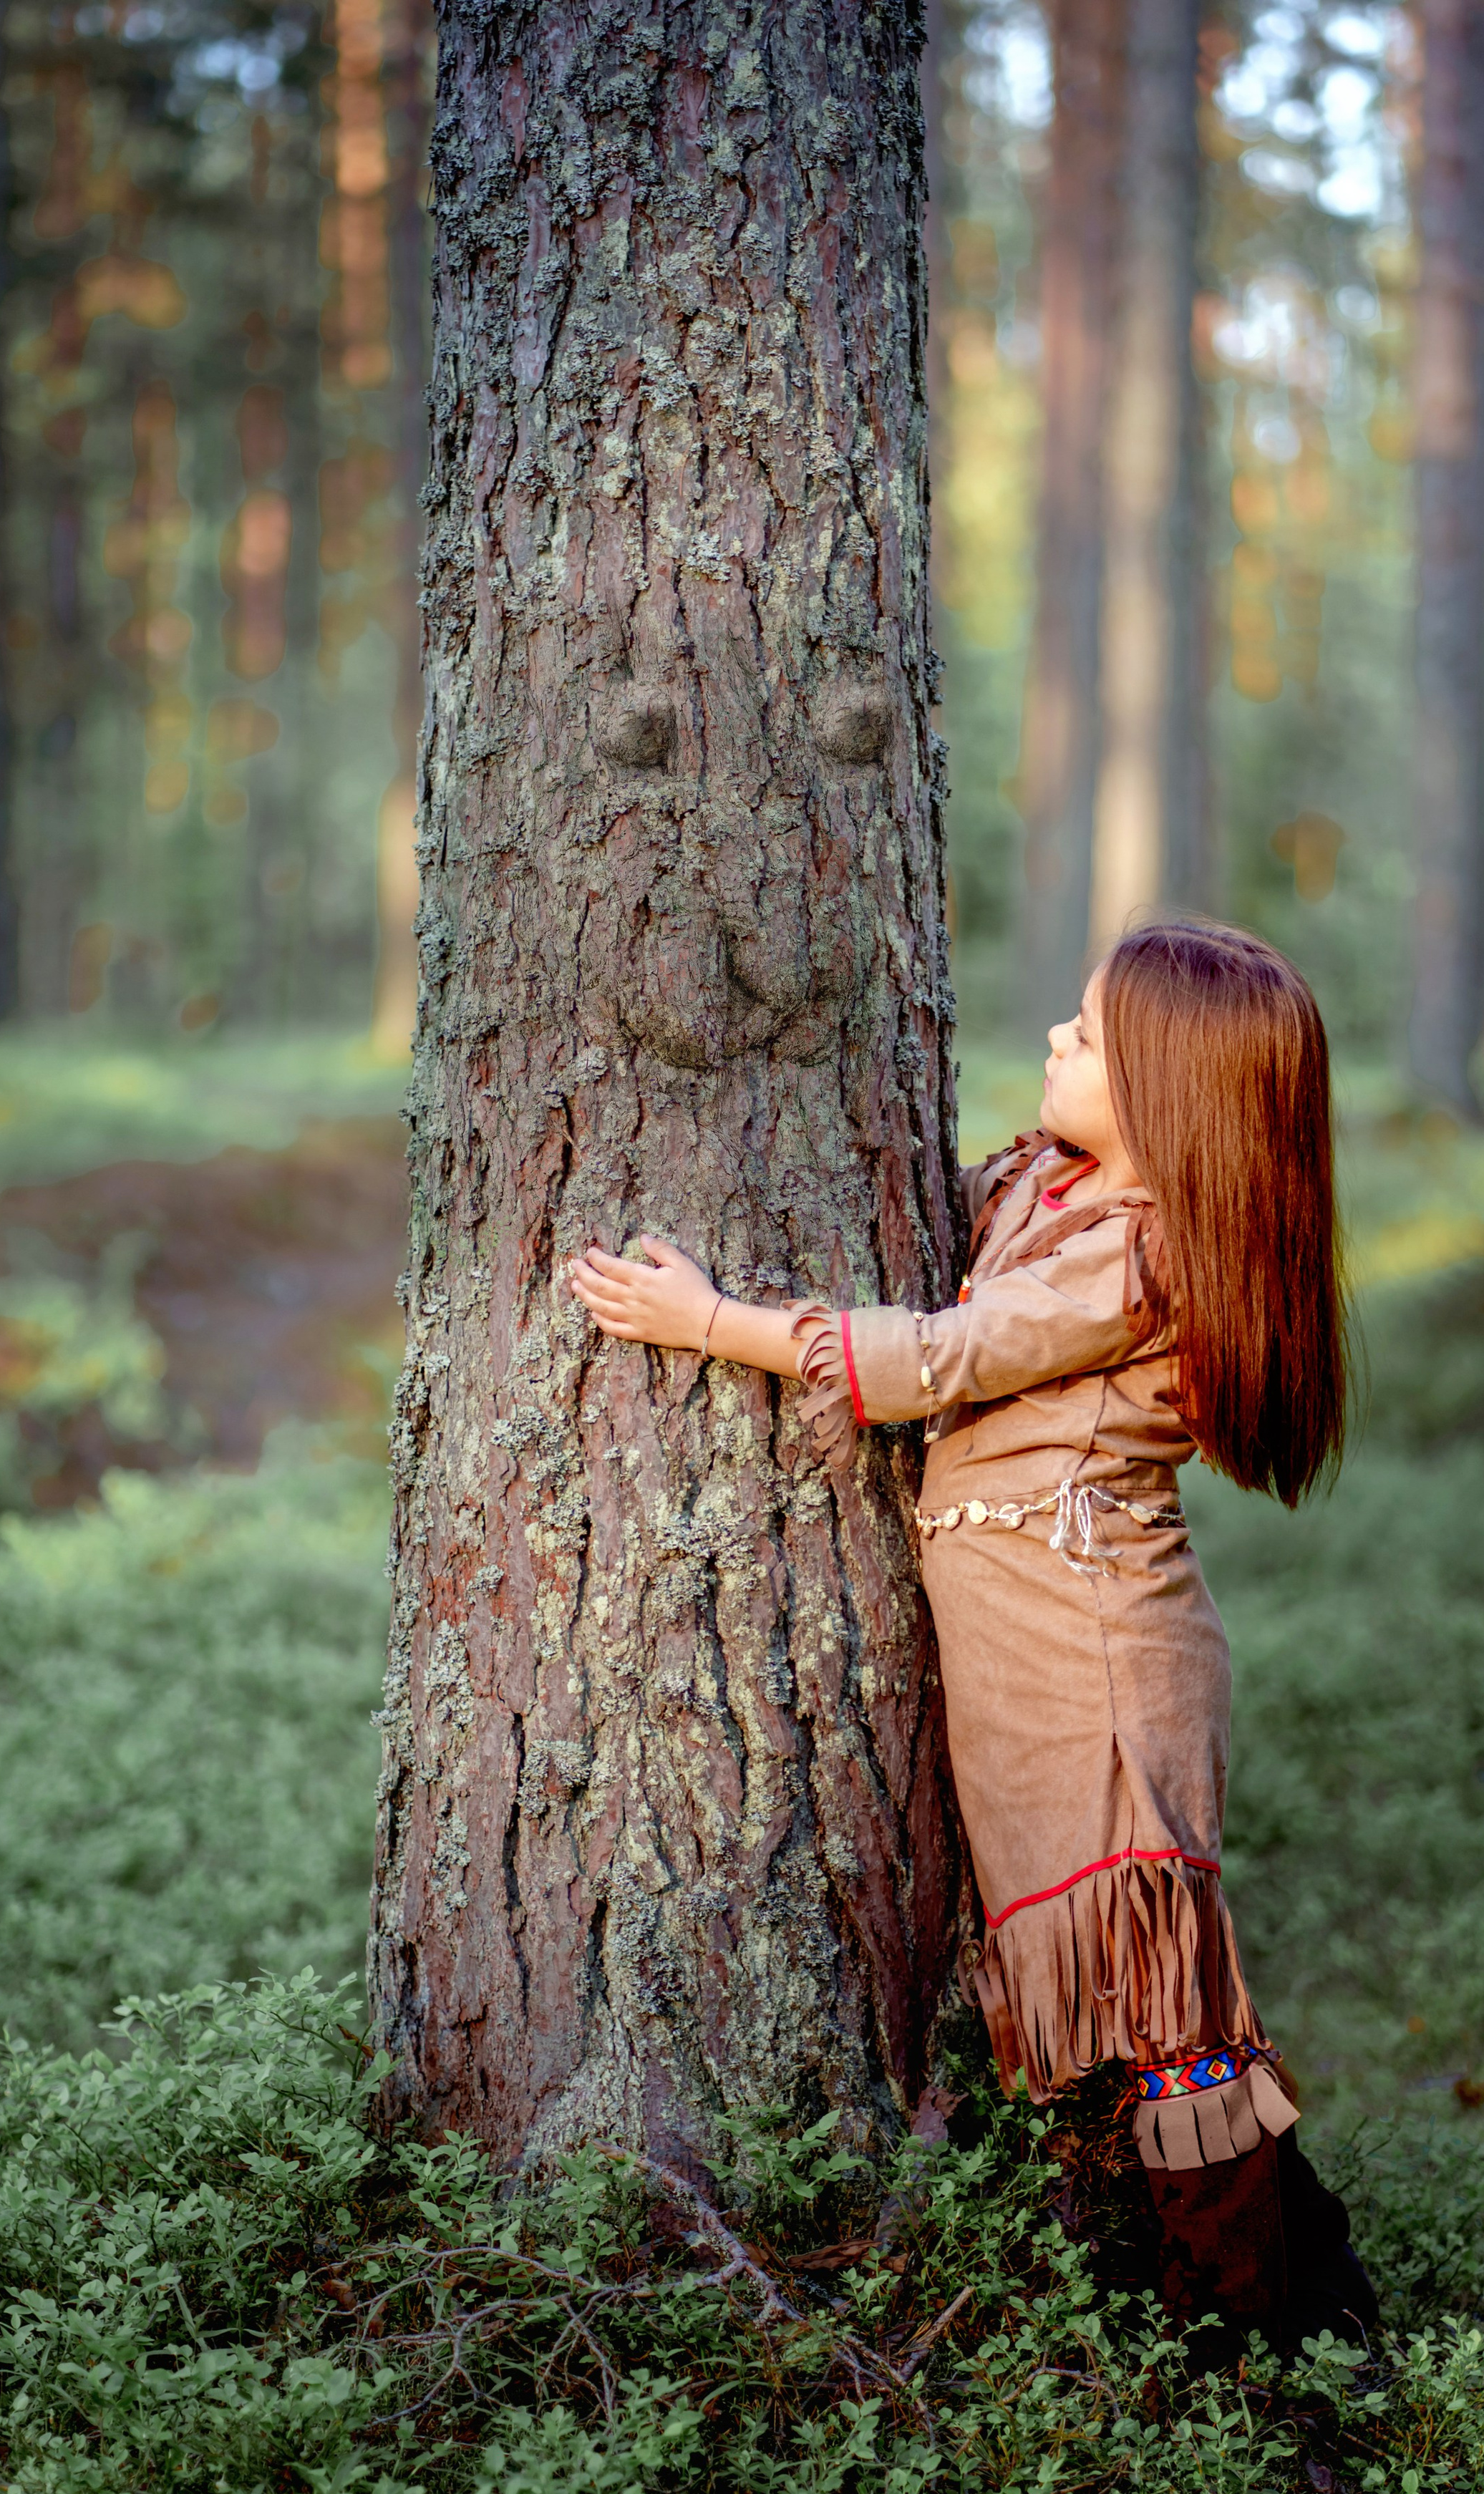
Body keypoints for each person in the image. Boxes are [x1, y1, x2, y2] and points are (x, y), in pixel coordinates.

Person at [569, 913, 1376, 2352]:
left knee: (1159, 2012)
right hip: (1037, 1654)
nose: (1056, 1043)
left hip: (1100, 1672)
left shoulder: (1135, 1257)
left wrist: (712, 1323)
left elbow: (941, 1357)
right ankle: (1291, 2295)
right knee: (1146, 2012)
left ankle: (1255, 2335)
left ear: (1166, 1099)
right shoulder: (1052, 1189)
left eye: (1087, 1036)